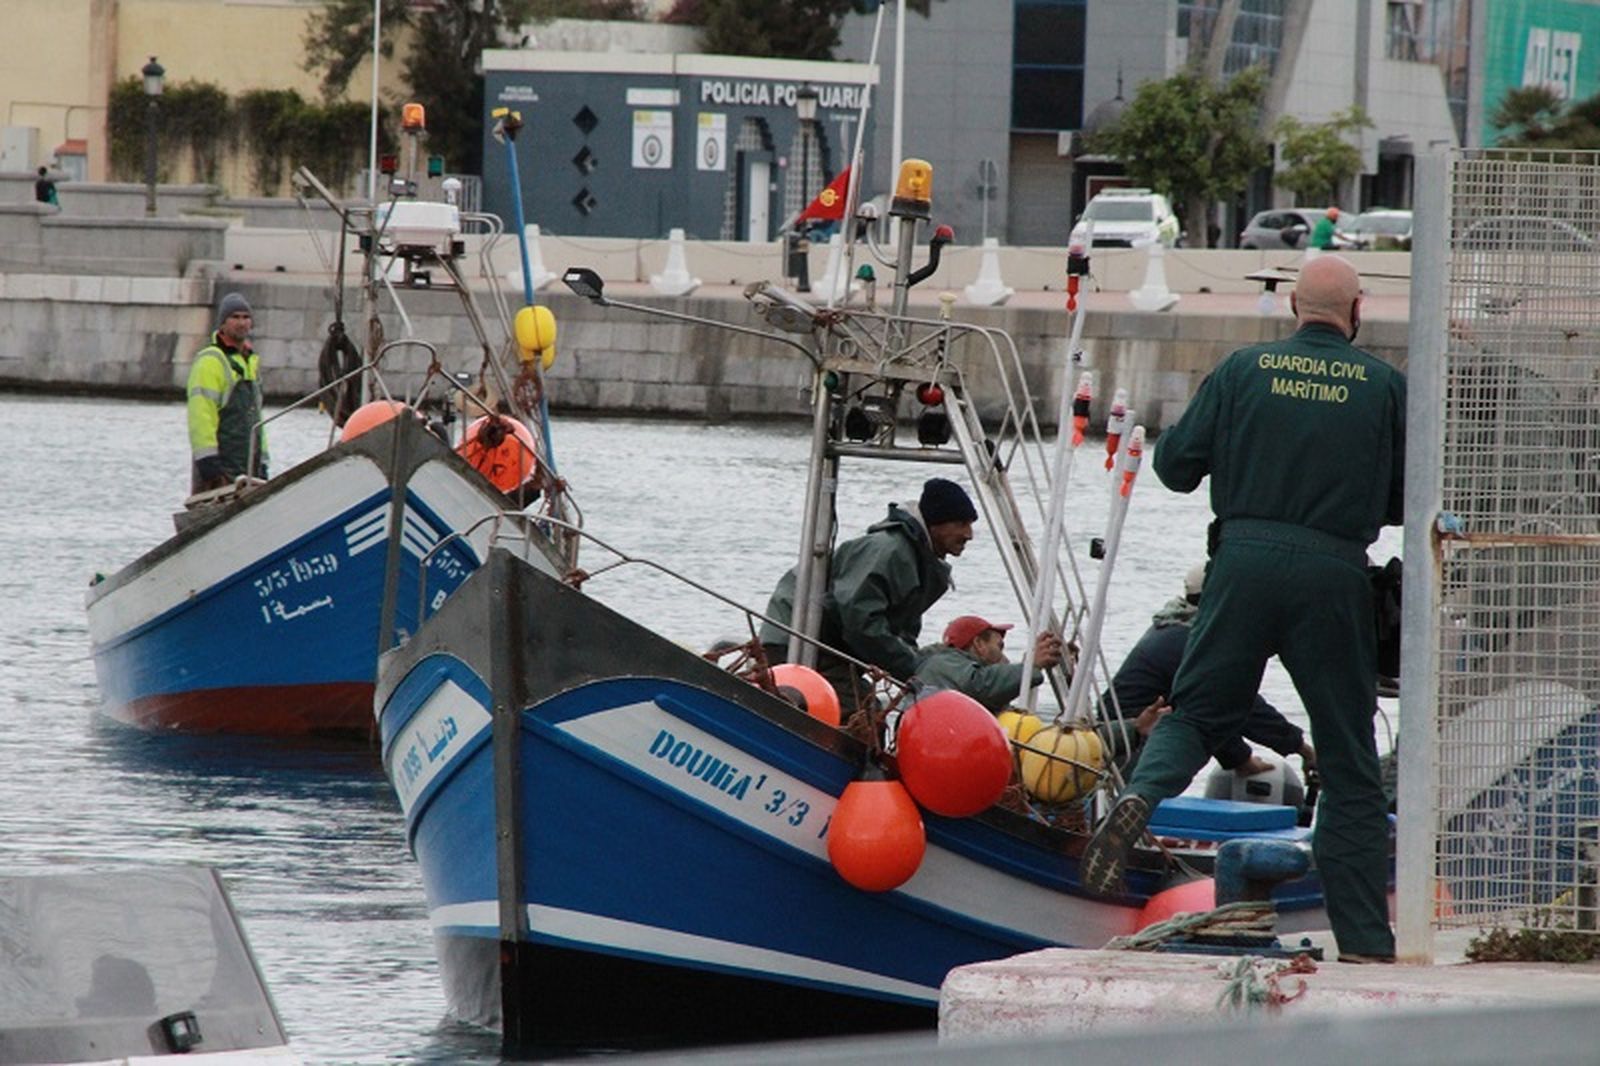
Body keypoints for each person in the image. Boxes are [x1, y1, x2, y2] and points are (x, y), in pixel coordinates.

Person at [1081, 254, 1405, 965]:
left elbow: (1173, 469)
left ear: (1293, 305)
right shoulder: (1385, 387)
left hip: (1242, 565)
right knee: (1349, 762)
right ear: (1358, 312)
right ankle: (1363, 945)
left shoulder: (1239, 370)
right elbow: (1403, 500)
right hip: (1333, 573)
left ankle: (1140, 797)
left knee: (1199, 711)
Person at [759, 477, 978, 710]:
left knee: (866, 709)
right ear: (936, 523)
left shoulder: (919, 561)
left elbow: (903, 628)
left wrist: (915, 668)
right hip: (797, 638)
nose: (969, 534)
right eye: (961, 523)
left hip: (831, 648)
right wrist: (912, 667)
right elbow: (859, 620)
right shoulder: (889, 551)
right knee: (862, 713)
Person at [1100, 563, 1315, 778]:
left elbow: (1210, 711)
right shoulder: (1190, 644)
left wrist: (1240, 760)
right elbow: (1239, 703)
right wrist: (1302, 748)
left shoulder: (1173, 625)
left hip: (1117, 733)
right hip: (1127, 742)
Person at [187, 291, 268, 493]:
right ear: (222, 323)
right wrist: (208, 462)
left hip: (249, 467)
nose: (241, 323)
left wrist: (263, 460)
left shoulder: (251, 362)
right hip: (219, 467)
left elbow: (257, 418)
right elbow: (201, 415)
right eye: (235, 317)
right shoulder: (210, 361)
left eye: (245, 317)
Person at [913, 614, 1065, 713]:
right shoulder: (944, 662)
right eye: (999, 646)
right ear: (979, 643)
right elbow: (981, 685)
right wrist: (1029, 667)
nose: (1002, 655)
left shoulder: (945, 666)